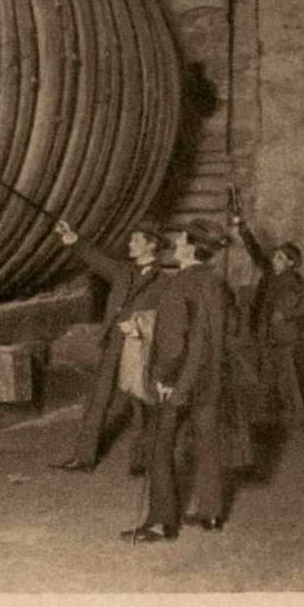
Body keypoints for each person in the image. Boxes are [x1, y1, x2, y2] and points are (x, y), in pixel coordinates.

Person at [122, 220, 231, 542]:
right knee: (208, 444)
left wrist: (165, 378)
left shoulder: (178, 286)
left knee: (161, 445)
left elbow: (174, 343)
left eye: (181, 239)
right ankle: (212, 514)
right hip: (210, 378)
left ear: (190, 248)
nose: (175, 243)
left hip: (180, 381)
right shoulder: (215, 283)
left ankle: (160, 522)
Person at [49, 220, 172, 475]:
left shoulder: (164, 281)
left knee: (139, 403)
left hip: (139, 346)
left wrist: (139, 328)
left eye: (137, 240)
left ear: (152, 245)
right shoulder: (122, 271)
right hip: (115, 341)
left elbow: (164, 318)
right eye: (131, 240)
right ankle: (84, 458)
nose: (131, 244)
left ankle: (141, 461)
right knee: (98, 398)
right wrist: (73, 239)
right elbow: (96, 259)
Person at [229, 211, 304, 430]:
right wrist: (243, 229)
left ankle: (295, 420)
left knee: (286, 380)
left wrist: (287, 315)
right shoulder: (269, 273)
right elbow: (256, 252)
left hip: (283, 338)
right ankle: (265, 417)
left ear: (290, 263)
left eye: (279, 257)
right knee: (265, 375)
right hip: (264, 334)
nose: (274, 259)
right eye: (275, 256)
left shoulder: (295, 281)